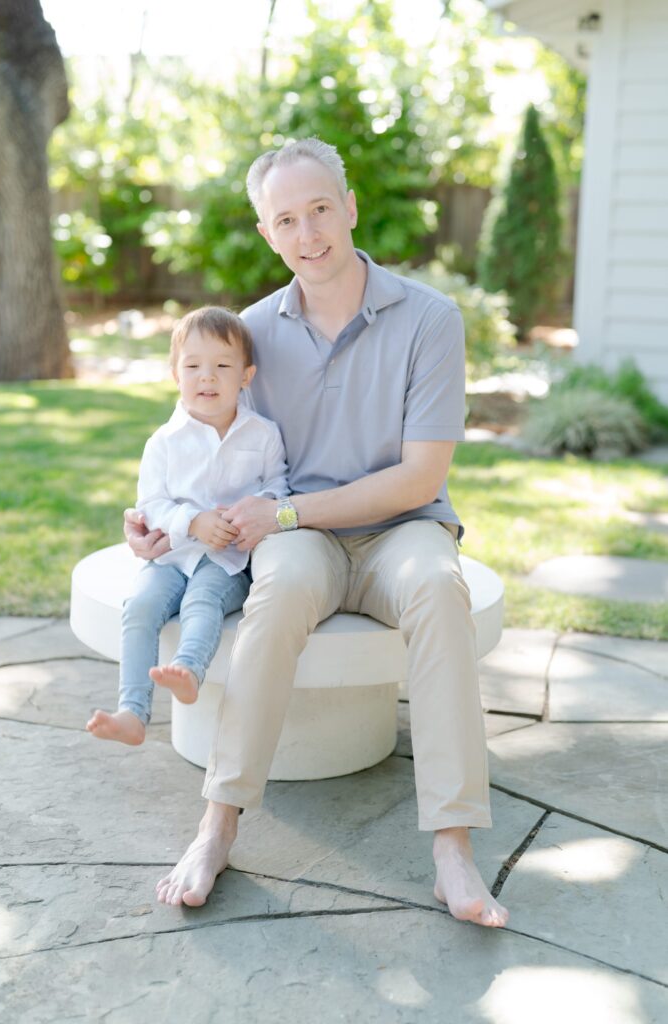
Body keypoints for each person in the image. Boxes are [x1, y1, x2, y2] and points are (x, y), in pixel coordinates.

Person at [125, 138, 509, 927]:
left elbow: (420, 479)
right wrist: (162, 523)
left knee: (439, 588)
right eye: (286, 219)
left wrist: (289, 513)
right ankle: (217, 825)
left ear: (350, 207)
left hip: (401, 529)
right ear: (268, 233)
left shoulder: (429, 320)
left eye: (320, 209)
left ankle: (452, 849)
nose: (308, 234)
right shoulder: (254, 331)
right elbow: (204, 446)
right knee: (281, 586)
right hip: (298, 539)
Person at [88, 306, 288, 745]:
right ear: (176, 375)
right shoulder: (163, 442)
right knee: (140, 607)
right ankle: (132, 712)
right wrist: (192, 521)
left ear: (246, 376)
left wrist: (258, 509)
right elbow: (151, 503)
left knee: (202, 602)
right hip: (173, 554)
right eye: (193, 366)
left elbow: (278, 486)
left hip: (229, 559)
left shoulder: (263, 434)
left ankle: (189, 673)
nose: (207, 377)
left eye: (222, 366)